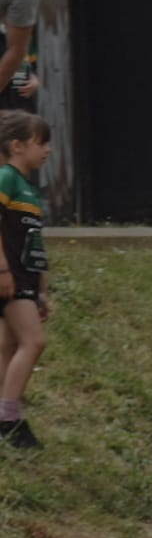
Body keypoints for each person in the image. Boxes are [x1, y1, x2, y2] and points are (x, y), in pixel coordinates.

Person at [0, 111, 53, 449]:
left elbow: (35, 242)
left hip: (25, 277)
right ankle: (8, 418)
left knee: (7, 344)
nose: (48, 150)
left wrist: (43, 290)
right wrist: (2, 269)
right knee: (34, 342)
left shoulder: (29, 190)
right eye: (41, 142)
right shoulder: (5, 177)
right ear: (17, 146)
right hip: (10, 275)